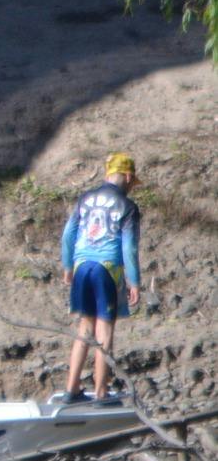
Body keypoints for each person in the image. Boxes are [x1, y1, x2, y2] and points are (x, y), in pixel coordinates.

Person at [56, 151, 143, 404]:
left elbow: (68, 234)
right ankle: (101, 393)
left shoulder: (85, 198)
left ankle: (71, 389)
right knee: (104, 330)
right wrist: (134, 281)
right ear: (128, 177)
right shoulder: (128, 207)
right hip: (107, 269)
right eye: (132, 182)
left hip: (81, 266)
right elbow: (129, 248)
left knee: (85, 327)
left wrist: (67, 266)